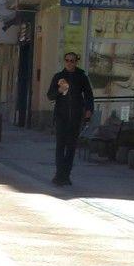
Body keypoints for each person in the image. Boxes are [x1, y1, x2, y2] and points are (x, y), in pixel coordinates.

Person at [47, 52, 94, 186]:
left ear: (76, 62)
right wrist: (60, 91)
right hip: (61, 116)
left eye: (72, 60)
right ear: (64, 61)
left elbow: (89, 94)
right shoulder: (58, 77)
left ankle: (66, 175)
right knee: (60, 146)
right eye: (67, 60)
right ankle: (59, 174)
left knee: (71, 147)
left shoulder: (81, 77)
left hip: (75, 116)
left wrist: (89, 109)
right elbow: (50, 96)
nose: (69, 62)